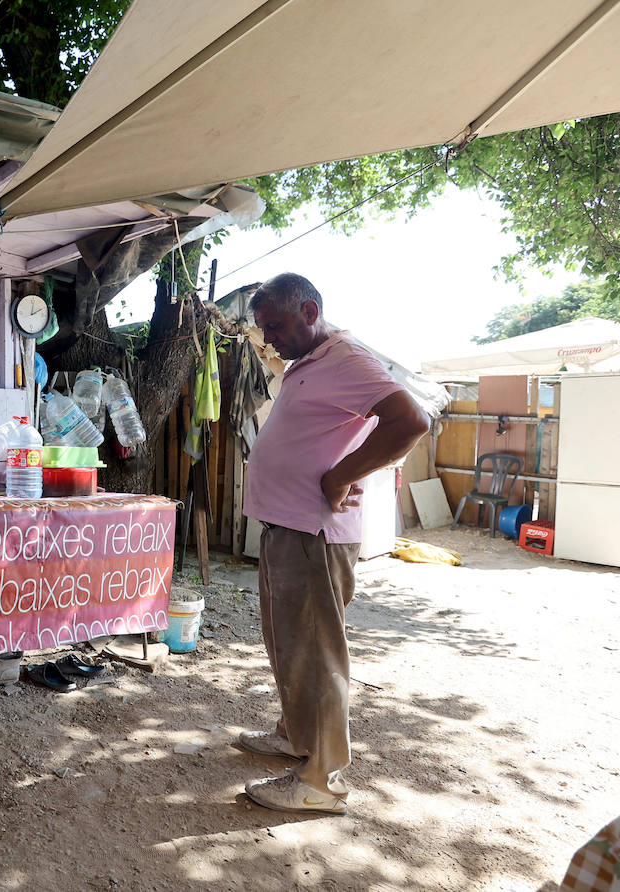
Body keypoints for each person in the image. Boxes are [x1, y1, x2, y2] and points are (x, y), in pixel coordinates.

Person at [237, 273, 429, 815]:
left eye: (275, 326)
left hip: (314, 533)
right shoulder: (308, 362)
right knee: (289, 646)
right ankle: (294, 735)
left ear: (309, 311)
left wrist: (343, 475)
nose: (269, 339)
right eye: (263, 328)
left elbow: (410, 421)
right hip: (287, 526)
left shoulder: (347, 358)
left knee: (316, 654)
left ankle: (320, 780)